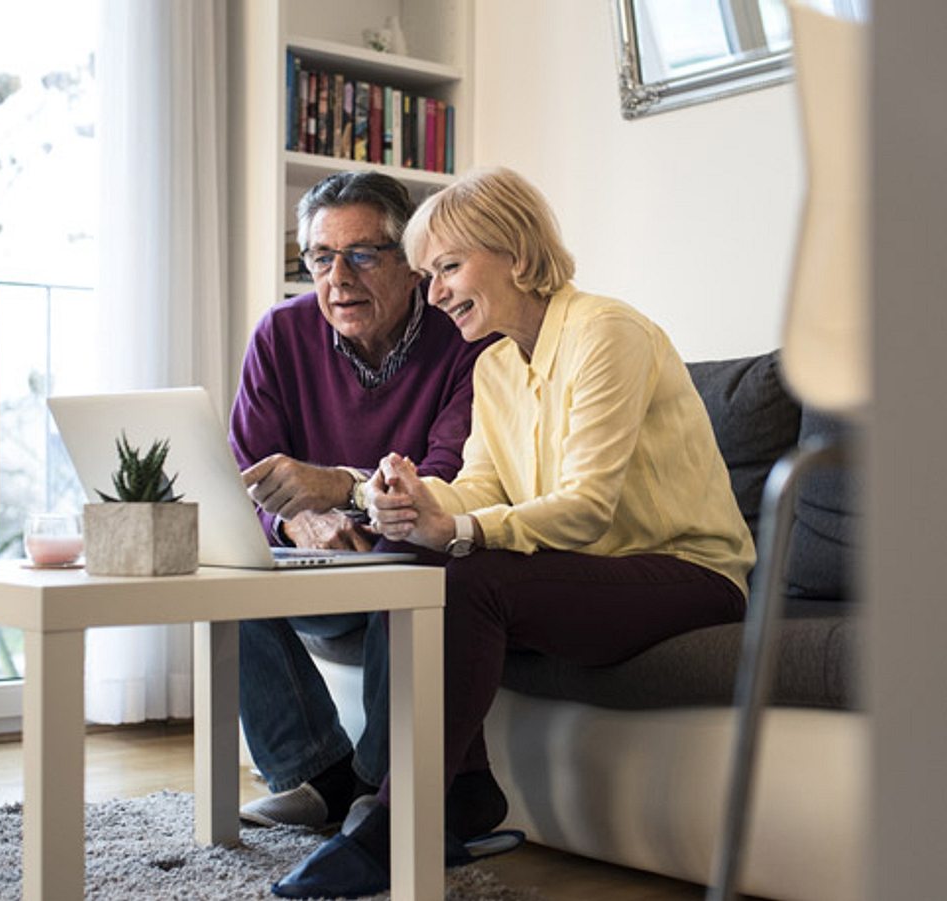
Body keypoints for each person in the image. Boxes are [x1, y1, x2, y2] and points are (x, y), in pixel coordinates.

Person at [272, 167, 756, 898]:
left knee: (469, 577)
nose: (433, 293)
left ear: (517, 252)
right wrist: (395, 498)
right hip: (582, 574)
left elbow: (587, 505)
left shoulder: (606, 332)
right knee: (426, 571)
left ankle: (389, 824)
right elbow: (478, 489)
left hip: (686, 574)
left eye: (448, 267)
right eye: (428, 274)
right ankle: (462, 796)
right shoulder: (496, 365)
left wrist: (457, 526)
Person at [230, 171, 492, 830]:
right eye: (321, 257)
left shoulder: (463, 338)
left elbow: (447, 477)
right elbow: (242, 475)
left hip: (403, 559)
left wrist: (343, 497)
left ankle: (380, 792)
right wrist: (295, 522)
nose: (337, 276)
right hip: (313, 572)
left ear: (410, 265)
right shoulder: (280, 335)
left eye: (362, 254)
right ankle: (316, 772)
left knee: (414, 569)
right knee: (219, 569)